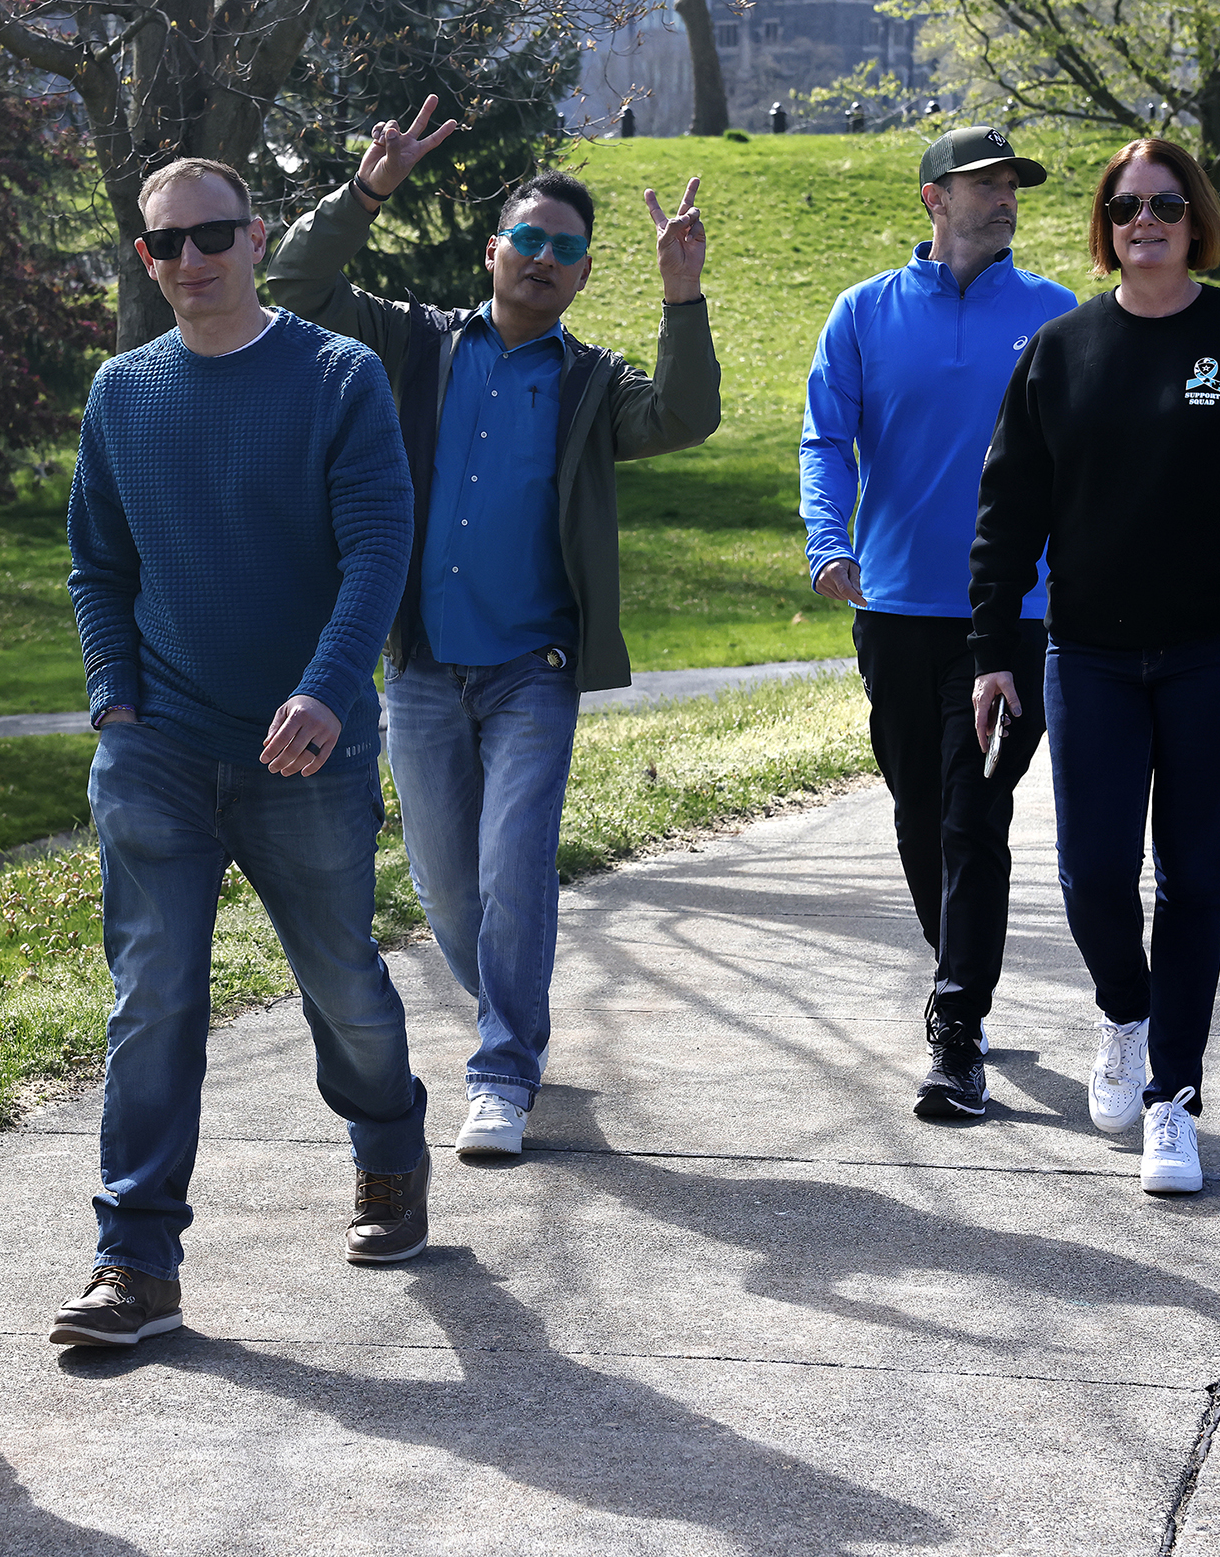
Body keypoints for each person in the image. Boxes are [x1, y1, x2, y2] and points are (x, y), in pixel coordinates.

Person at [267, 98, 720, 1159]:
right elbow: (293, 287)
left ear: (582, 274)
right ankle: (506, 1011)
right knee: (448, 887)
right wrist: (368, 187)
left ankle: (503, 1068)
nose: (545, 258)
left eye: (567, 250)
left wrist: (684, 295)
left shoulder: (591, 384)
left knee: (515, 866)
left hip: (533, 668)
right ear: (494, 250)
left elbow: (687, 416)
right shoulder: (412, 347)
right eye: (530, 238)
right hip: (422, 666)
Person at [50, 156, 426, 1349]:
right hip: (158, 749)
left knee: (343, 984)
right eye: (166, 244)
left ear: (258, 237)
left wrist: (326, 691)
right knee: (152, 999)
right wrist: (115, 700)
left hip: (306, 754)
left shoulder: (336, 376)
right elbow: (98, 569)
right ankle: (136, 1262)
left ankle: (387, 1145)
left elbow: (377, 552)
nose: (191, 259)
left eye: (213, 234)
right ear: (146, 260)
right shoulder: (123, 392)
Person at [967, 136, 1220, 1196]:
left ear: (1196, 220)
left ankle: (1173, 1097)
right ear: (1105, 224)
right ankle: (1125, 1016)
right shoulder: (1060, 350)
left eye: (1168, 204)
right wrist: (993, 649)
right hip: (1089, 651)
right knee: (1090, 870)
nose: (1147, 222)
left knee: (1191, 876)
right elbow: (1006, 514)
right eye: (1128, 206)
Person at [799, 127, 1076, 1121]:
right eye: (984, 182)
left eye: (1012, 184)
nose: (1004, 196)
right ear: (933, 198)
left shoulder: (1054, 319)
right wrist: (828, 541)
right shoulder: (865, 312)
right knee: (921, 813)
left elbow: (1090, 461)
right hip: (896, 610)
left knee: (973, 815)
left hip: (1015, 619)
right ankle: (957, 970)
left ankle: (955, 1027)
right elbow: (826, 437)